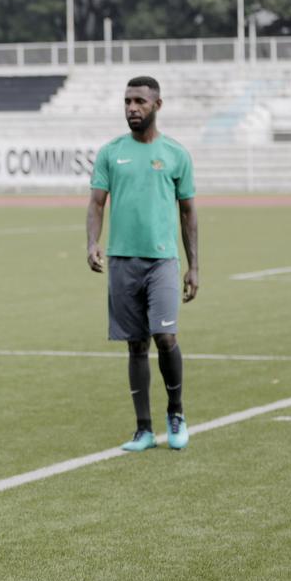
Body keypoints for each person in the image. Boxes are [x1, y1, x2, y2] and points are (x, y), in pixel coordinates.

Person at [87, 76, 198, 452]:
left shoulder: (176, 154)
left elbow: (188, 212)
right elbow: (96, 203)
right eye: (127, 101)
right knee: (135, 345)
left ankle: (176, 413)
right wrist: (92, 243)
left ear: (157, 105)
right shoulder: (110, 152)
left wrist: (194, 266)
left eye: (140, 101)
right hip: (122, 261)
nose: (132, 108)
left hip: (162, 260)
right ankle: (144, 430)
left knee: (165, 338)